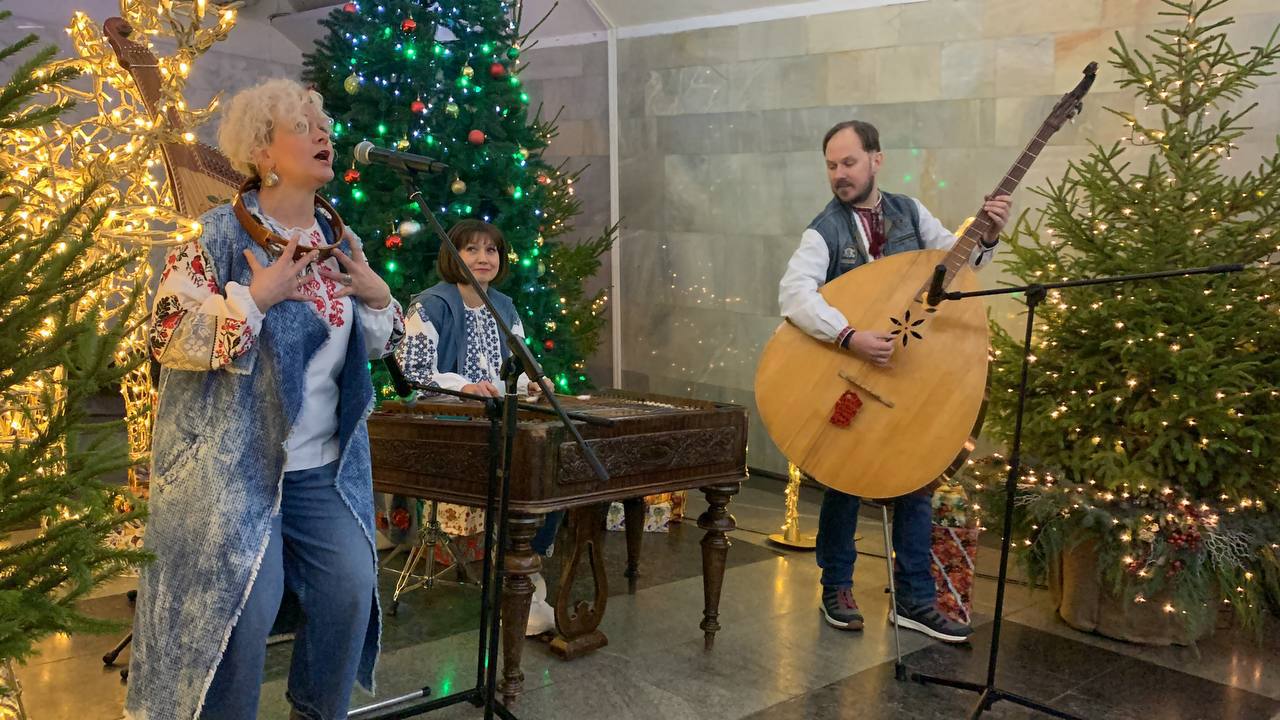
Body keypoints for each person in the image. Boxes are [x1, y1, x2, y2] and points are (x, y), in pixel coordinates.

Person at [126, 78, 405, 720]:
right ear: (263, 153)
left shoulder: (340, 241)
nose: (324, 134)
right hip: (232, 475)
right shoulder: (219, 237)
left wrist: (376, 294)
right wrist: (257, 295)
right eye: (303, 125)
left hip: (322, 471)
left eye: (323, 123)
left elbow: (367, 352)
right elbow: (168, 333)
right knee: (239, 613)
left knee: (349, 591)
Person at [778, 120, 1011, 643]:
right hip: (853, 369)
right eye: (832, 165)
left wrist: (988, 236)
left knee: (916, 474)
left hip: (909, 371)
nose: (840, 174)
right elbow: (794, 294)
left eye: (850, 163)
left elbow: (956, 265)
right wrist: (848, 335)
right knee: (842, 480)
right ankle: (835, 586)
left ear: (876, 159)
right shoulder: (825, 230)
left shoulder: (909, 212)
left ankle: (914, 599)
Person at [389, 219, 561, 636]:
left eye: (491, 250)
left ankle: (527, 574)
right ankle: (519, 581)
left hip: (495, 419)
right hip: (447, 422)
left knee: (550, 465)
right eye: (471, 250)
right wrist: (464, 386)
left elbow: (516, 371)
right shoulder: (430, 304)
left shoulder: (504, 306)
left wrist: (531, 383)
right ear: (453, 256)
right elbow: (412, 373)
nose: (483, 258)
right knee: (524, 470)